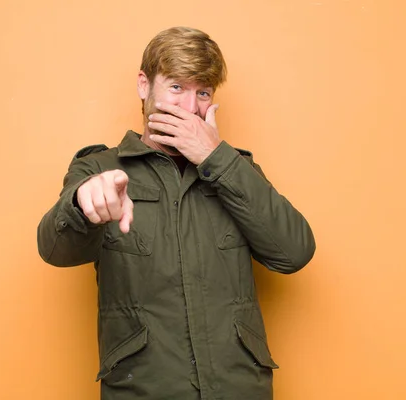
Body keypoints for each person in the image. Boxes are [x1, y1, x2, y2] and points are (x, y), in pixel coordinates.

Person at [37, 26, 315, 400]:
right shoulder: (98, 168)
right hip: (143, 390)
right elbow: (54, 251)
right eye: (176, 88)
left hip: (239, 389)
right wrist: (83, 204)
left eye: (202, 92)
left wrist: (217, 160)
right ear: (143, 85)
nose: (190, 107)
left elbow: (294, 253)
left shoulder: (237, 170)